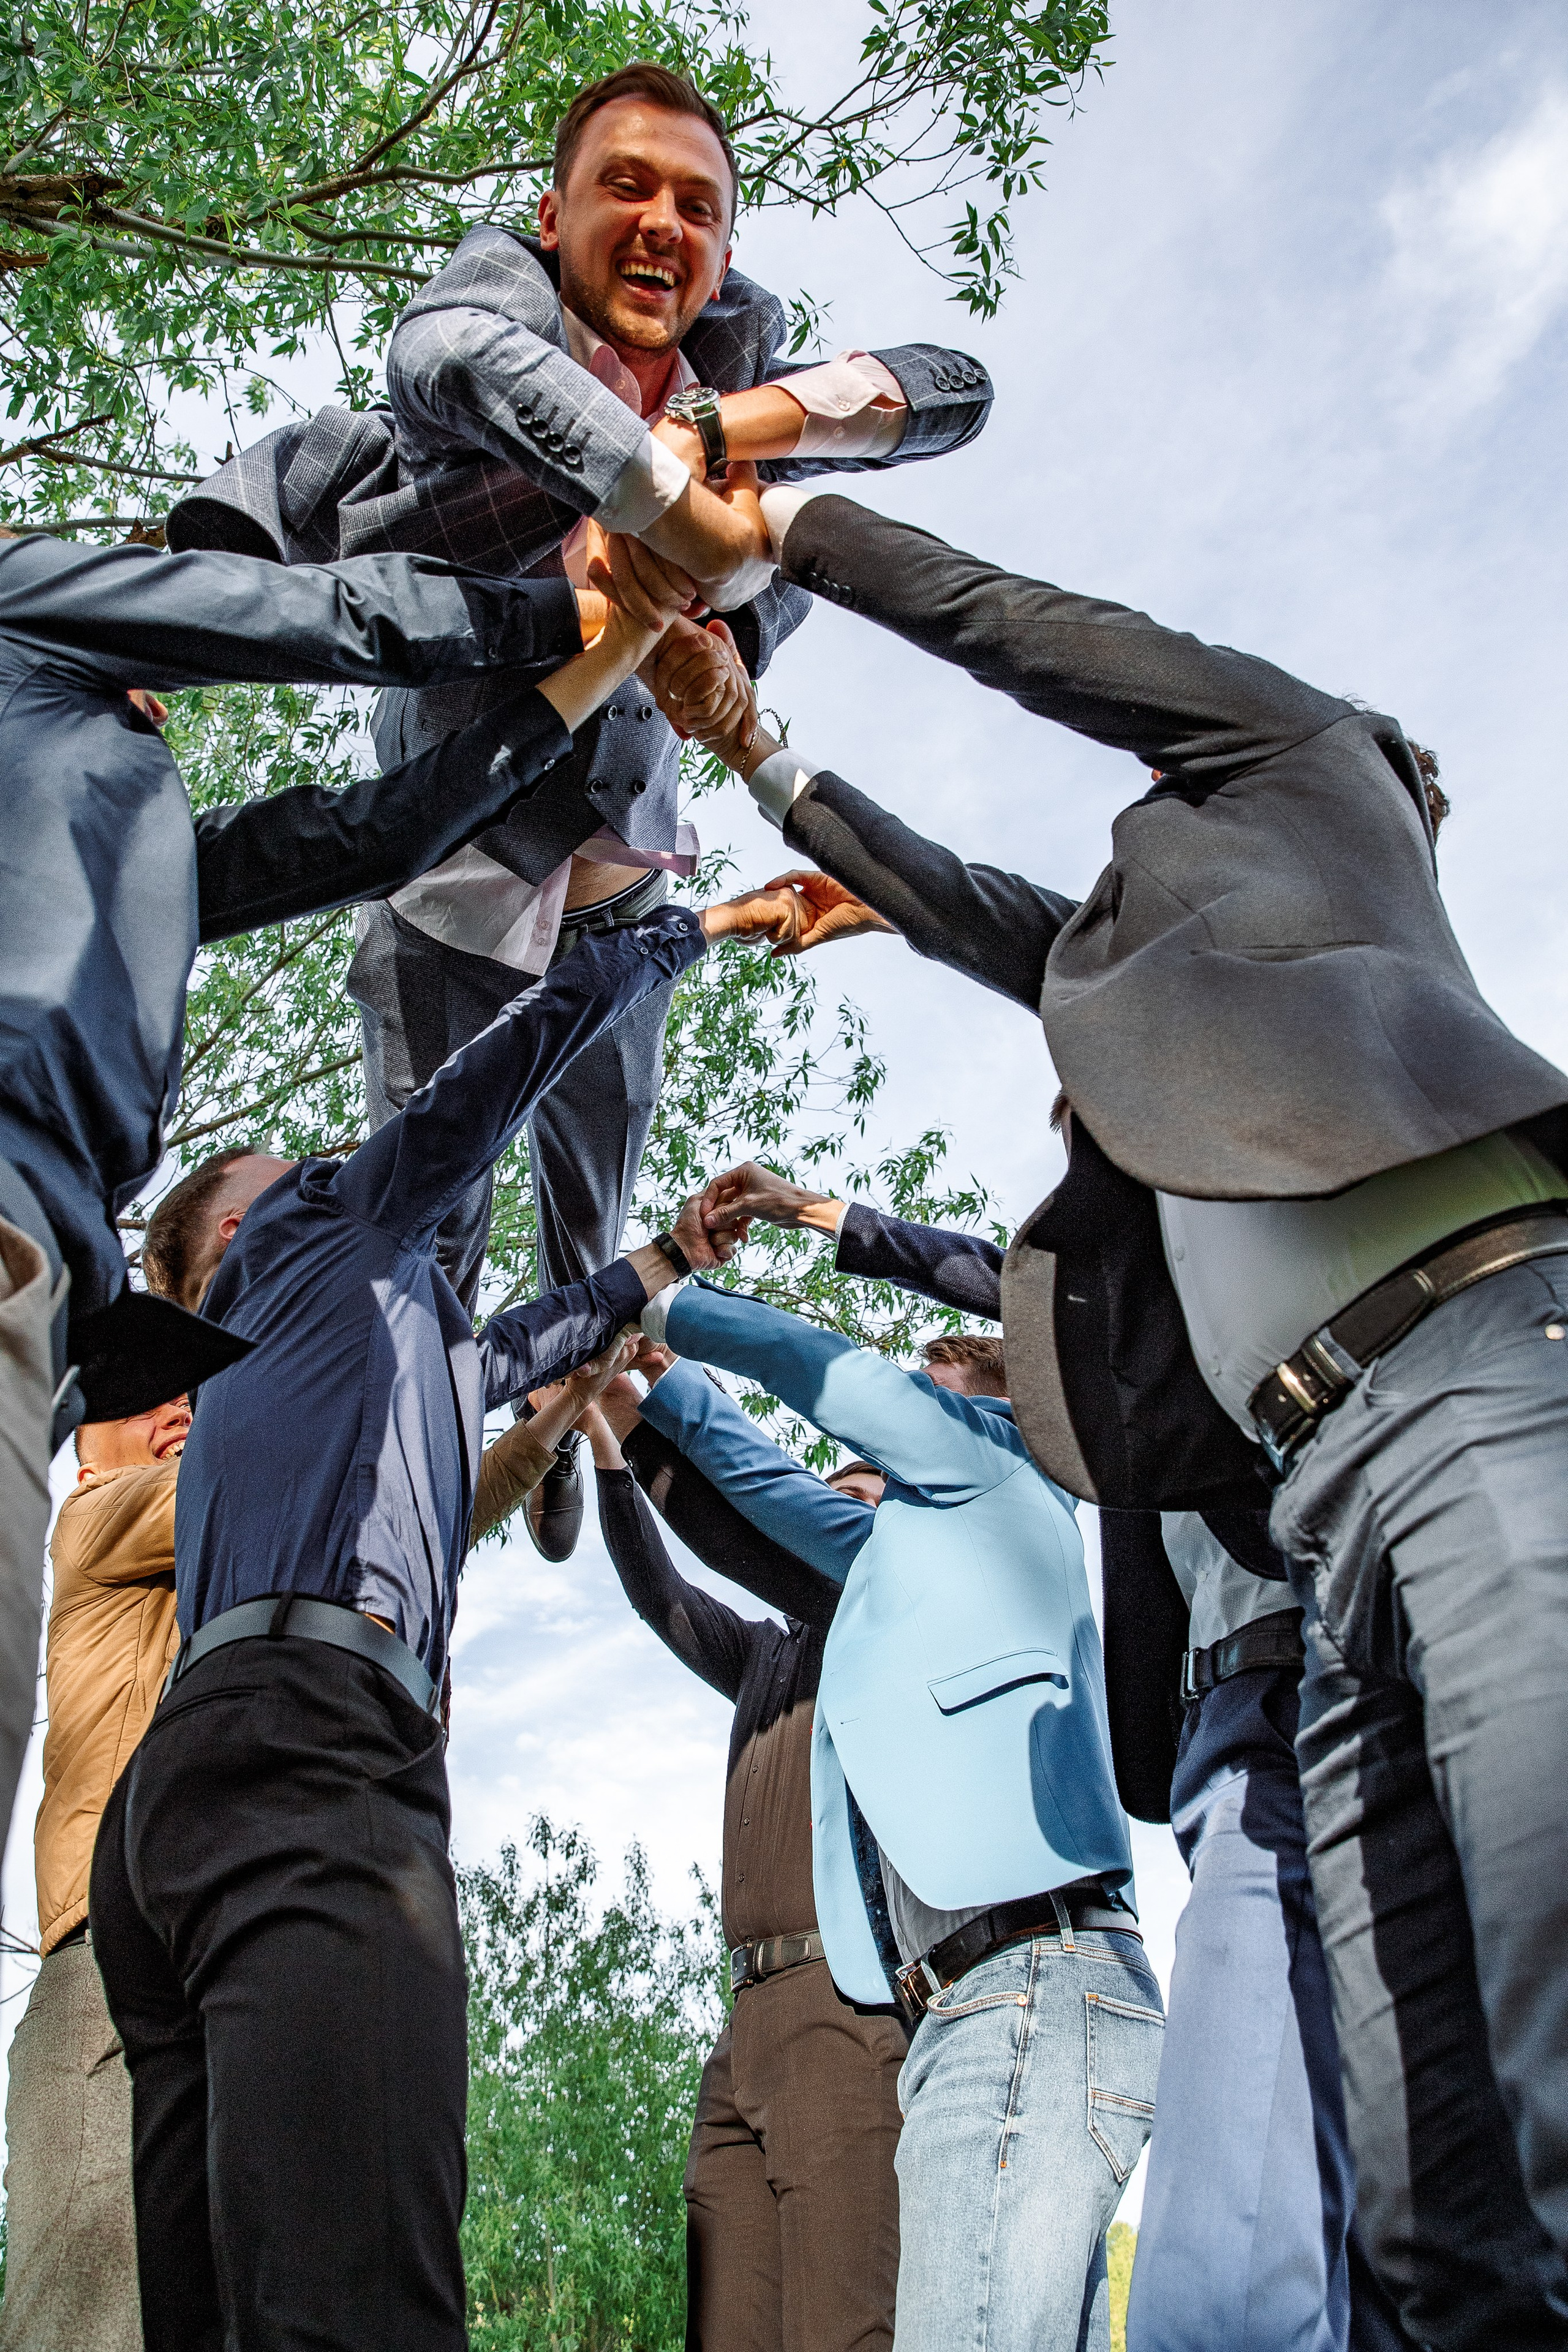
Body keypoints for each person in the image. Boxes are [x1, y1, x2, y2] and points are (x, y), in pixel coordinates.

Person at [665, 486, 1568, 2349]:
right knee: (1425, 2226)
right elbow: (989, 919)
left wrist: (771, 529)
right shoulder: (1170, 973)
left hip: (1480, 1384)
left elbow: (1022, 624)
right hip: (1324, 1524)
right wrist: (768, 762)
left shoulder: (1314, 765)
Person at [168, 61, 993, 1560]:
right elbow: (446, 352)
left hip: (613, 853)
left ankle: (570, 1388)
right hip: (462, 849)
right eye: (624, 188)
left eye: (697, 206)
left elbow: (952, 387)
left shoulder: (736, 370)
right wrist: (652, 499)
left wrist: (721, 480)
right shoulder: (497, 303)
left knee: (593, 1181)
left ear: (726, 250)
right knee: (427, 1213)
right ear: (552, 217)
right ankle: (429, 1427)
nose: (661, 225)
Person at [86, 809, 831, 2350]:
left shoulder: (341, 1345)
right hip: (310, 1757)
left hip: (189, 1801)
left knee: (219, 2315)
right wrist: (706, 928)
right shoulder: (310, 1234)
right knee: (364, 2299)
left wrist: (667, 1259)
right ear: (238, 1225)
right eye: (304, 1170)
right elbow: (494, 1081)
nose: (349, 1169)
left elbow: (513, 1350)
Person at [694, 1159, 1411, 2352]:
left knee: (1281, 2273)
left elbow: (1031, 1289)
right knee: (1296, 2254)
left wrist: (801, 1232)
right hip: (1211, 1791)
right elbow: (759, 1500)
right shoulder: (1033, 1511)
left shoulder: (1066, 1412)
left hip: (1294, 1755)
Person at [0, 517, 630, 1872]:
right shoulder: (20, 602)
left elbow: (371, 833)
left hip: (43, 1305)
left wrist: (610, 664)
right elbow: (324, 617)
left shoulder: (134, 837)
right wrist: (558, 606)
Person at [0, 1333, 627, 2352]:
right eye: (148, 1401)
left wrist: (555, 1415)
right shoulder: (103, 1516)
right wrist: (451, 1377)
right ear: (85, 1450)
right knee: (102, 2321)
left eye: (192, 1401)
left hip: (250, 1941)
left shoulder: (250, 1544)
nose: (180, 1415)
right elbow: (333, 1472)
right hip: (109, 1977)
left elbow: (408, 1517)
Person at [629, 1273, 1163, 2352]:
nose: (912, 1420)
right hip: (954, 2008)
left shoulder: (999, 1470)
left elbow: (838, 1382)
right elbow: (761, 1488)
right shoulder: (893, 1554)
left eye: (932, 1395)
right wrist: (653, 1393)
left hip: (1031, 1982)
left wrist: (655, 1310)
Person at [575, 1356, 907, 2352]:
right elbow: (659, 1592)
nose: (826, 1511)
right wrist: (599, 1437)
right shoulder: (764, 1654)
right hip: (744, 2025)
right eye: (825, 1495)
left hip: (842, 2009)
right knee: (728, 2324)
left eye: (854, 1502)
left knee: (841, 2328)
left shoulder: (890, 1633)